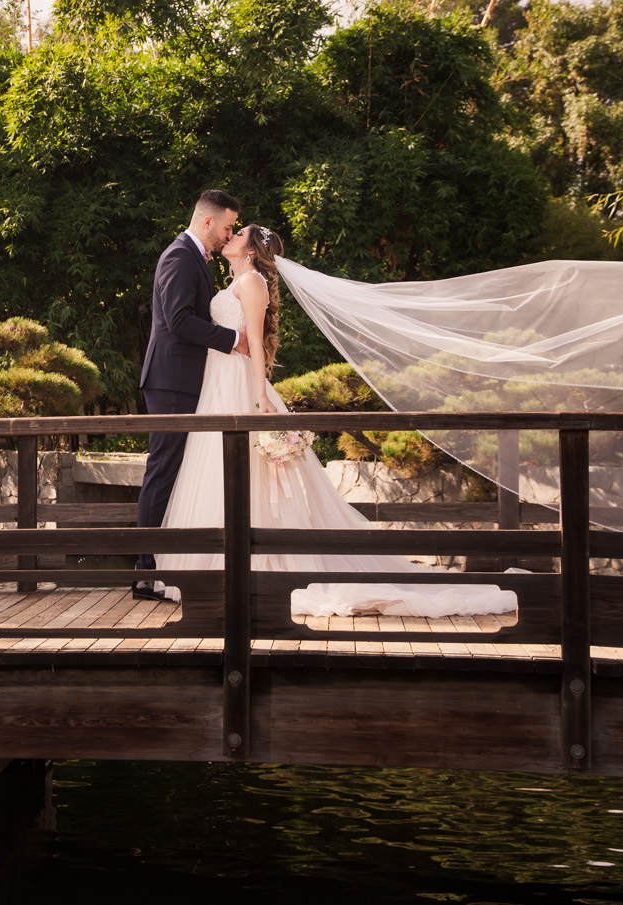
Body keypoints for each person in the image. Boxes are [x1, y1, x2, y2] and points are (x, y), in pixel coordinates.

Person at [151, 224, 517, 618]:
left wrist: (260, 393)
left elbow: (254, 342)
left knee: (250, 478)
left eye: (238, 234)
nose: (231, 236)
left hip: (238, 383)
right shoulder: (234, 280)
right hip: (216, 384)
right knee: (215, 472)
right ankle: (210, 569)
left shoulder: (252, 282)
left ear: (252, 251)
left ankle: (253, 569)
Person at [133, 189, 250, 599]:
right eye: (227, 227)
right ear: (207, 222)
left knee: (177, 471)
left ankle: (162, 564)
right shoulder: (179, 257)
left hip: (186, 381)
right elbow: (180, 320)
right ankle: (144, 572)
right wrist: (235, 339)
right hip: (170, 381)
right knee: (163, 469)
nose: (228, 234)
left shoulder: (195, 258)